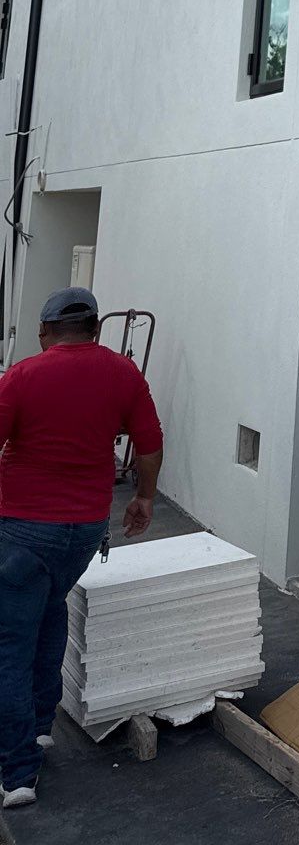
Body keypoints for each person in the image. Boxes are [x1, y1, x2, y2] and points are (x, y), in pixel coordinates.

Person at [0, 288, 163, 808]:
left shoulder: (23, 375)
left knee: (9, 644)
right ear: (94, 329)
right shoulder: (122, 373)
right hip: (85, 528)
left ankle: (18, 773)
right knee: (50, 614)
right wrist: (142, 498)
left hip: (23, 529)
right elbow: (151, 440)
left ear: (46, 332)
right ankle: (42, 726)